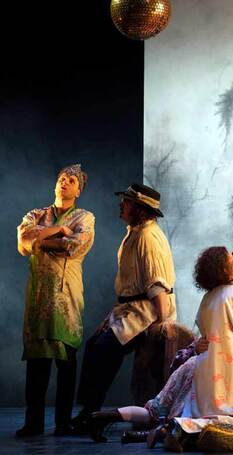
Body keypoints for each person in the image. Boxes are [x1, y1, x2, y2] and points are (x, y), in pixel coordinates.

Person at [89, 247, 233, 445]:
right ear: (223, 269)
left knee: (156, 409)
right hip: (227, 371)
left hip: (202, 368)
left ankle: (103, 417)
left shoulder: (208, 299)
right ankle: (172, 428)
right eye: (232, 259)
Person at [71, 183, 177, 433]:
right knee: (94, 345)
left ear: (139, 209)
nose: (122, 205)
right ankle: (89, 410)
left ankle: (92, 415)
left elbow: (157, 284)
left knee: (105, 349)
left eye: (127, 202)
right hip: (130, 310)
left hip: (147, 311)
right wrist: (111, 317)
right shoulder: (135, 233)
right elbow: (128, 288)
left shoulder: (149, 238)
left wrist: (163, 323)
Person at [15, 164, 95, 437]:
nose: (64, 182)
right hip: (38, 298)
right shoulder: (36, 214)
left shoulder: (85, 217)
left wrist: (42, 238)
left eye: (71, 180)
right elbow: (23, 242)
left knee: (66, 361)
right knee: (37, 364)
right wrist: (57, 232)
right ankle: (33, 422)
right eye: (61, 178)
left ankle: (63, 423)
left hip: (66, 297)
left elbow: (73, 246)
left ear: (78, 190)